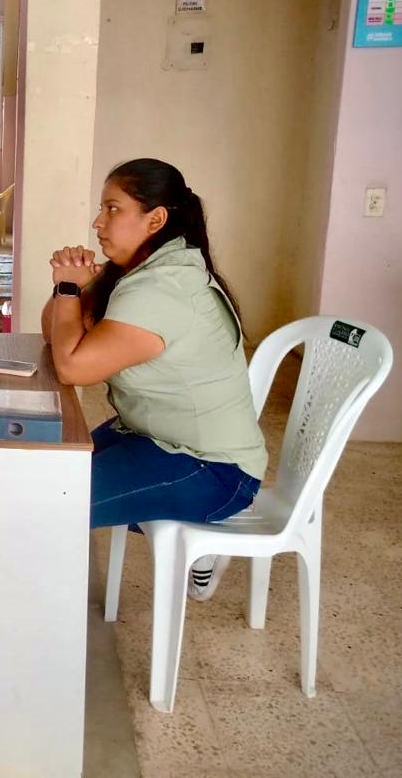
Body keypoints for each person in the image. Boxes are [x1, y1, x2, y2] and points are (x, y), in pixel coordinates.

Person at [41, 158, 266, 602]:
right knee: (43, 473)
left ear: (155, 219)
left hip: (211, 468)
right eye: (101, 209)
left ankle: (203, 524)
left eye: (112, 208)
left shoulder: (162, 288)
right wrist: (69, 288)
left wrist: (69, 289)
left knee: (51, 501)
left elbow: (72, 367)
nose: (97, 222)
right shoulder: (140, 268)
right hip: (150, 435)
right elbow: (56, 334)